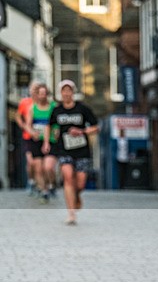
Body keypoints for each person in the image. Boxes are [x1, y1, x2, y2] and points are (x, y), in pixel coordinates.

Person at [43, 80, 98, 226]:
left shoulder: (83, 109)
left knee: (80, 183)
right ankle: (71, 213)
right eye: (63, 91)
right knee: (67, 178)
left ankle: (77, 195)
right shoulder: (57, 110)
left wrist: (82, 131)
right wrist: (47, 142)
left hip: (82, 150)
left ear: (73, 92)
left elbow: (95, 127)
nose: (66, 94)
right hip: (64, 149)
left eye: (69, 91)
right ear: (60, 94)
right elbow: (48, 126)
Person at [23, 83, 58, 202]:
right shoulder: (32, 108)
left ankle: (52, 184)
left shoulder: (54, 107)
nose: (42, 96)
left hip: (51, 141)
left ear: (47, 94)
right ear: (37, 95)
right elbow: (27, 125)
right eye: (40, 94)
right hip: (37, 141)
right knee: (38, 168)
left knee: (48, 168)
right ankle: (44, 191)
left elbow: (57, 124)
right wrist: (32, 132)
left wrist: (57, 132)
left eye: (45, 94)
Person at [15, 82, 40, 195]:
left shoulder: (44, 103)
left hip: (42, 137)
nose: (35, 91)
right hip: (28, 136)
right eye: (33, 89)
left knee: (40, 164)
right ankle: (31, 181)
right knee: (30, 162)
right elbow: (18, 116)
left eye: (37, 89)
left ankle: (43, 185)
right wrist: (23, 126)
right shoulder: (25, 102)